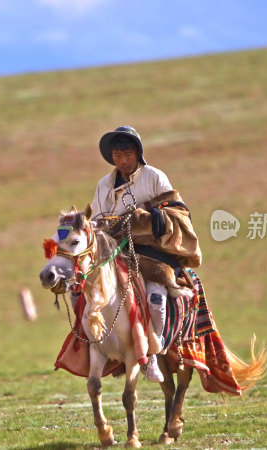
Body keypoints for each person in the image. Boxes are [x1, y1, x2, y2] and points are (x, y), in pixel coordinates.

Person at [89, 125, 179, 384]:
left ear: (138, 153)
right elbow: (96, 220)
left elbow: (176, 212)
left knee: (155, 299)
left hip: (151, 252)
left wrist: (147, 218)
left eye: (127, 154)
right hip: (114, 254)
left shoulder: (153, 177)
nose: (123, 160)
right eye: (117, 155)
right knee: (86, 295)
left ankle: (152, 353)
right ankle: (93, 346)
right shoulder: (104, 185)